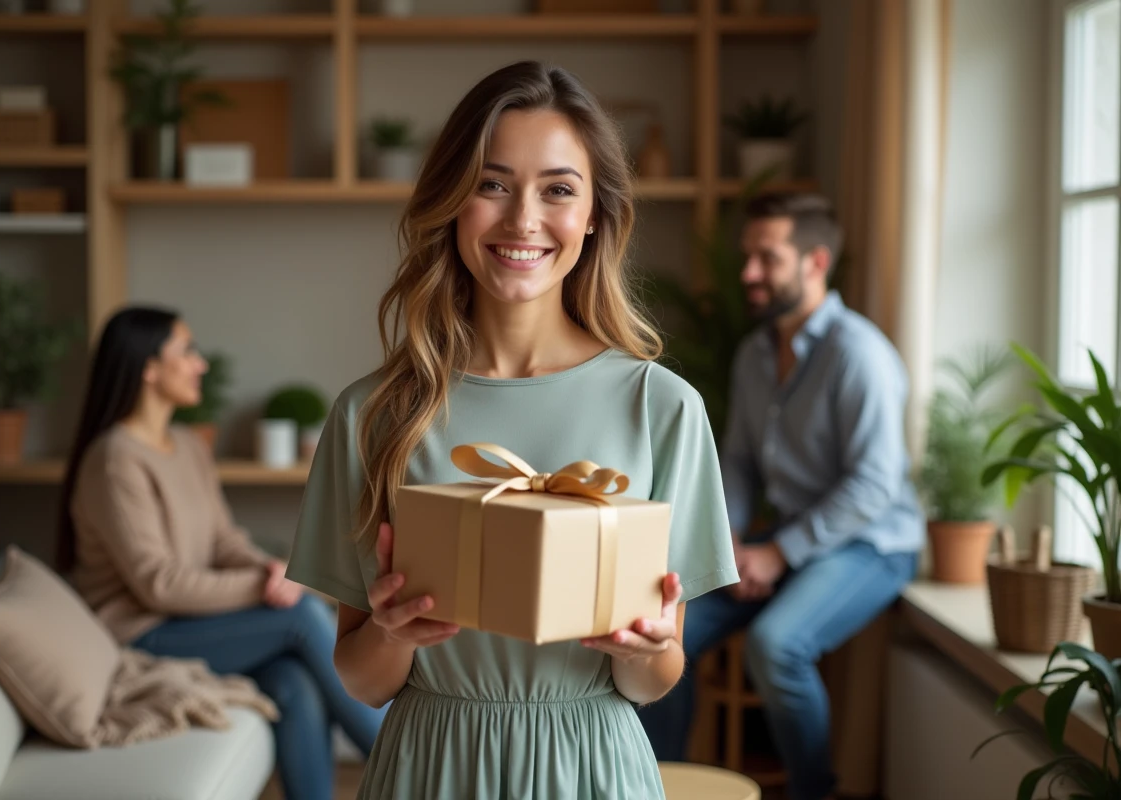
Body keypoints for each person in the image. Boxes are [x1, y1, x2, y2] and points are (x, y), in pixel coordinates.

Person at [285, 60, 738, 799]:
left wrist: (646, 649)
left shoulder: (662, 408)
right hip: (429, 769)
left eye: (558, 189)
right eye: (492, 185)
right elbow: (362, 682)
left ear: (594, 214)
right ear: (453, 202)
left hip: (593, 768)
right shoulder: (373, 415)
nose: (523, 219)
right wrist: (393, 636)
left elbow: (656, 680)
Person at [637, 192, 924, 800]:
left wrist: (780, 553)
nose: (748, 274)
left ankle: (813, 792)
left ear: (815, 261)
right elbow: (738, 459)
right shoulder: (754, 352)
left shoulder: (860, 355)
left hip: (871, 544)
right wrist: (732, 543)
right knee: (665, 626)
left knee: (777, 646)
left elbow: (875, 484)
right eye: (748, 258)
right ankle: (655, 782)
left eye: (766, 259)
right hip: (782, 536)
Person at [55, 306, 387, 800]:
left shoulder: (187, 445)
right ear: (148, 368)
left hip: (192, 624)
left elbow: (221, 539)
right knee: (301, 616)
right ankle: (407, 765)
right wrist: (270, 587)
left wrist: (269, 569)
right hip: (138, 634)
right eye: (185, 351)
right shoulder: (114, 459)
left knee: (293, 682)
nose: (200, 364)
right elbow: (158, 583)